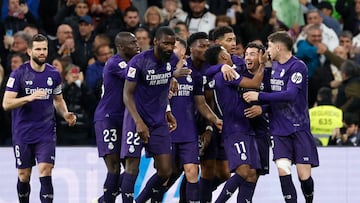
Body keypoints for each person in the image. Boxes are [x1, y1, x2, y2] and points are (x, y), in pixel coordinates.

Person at [243, 31, 319, 203]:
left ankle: (309, 200)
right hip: (278, 130)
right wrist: (263, 108)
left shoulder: (298, 66)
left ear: (278, 47)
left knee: (304, 177)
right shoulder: (273, 67)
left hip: (299, 128)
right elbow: (275, 98)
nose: (267, 50)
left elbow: (290, 95)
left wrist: (259, 97)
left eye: (269, 46)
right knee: (283, 171)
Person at [2, 34, 76, 203]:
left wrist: (65, 113)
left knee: (45, 170)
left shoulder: (54, 74)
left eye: (44, 49)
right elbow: (6, 103)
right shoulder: (18, 74)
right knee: (24, 175)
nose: (42, 52)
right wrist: (28, 98)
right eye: (38, 49)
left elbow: (58, 99)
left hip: (46, 131)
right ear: (29, 51)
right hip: (23, 132)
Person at [120, 26, 187, 203]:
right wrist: (138, 122)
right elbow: (127, 94)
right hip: (136, 118)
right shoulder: (138, 62)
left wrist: (167, 111)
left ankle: (140, 201)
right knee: (132, 167)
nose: (169, 47)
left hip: (158, 120)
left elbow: (163, 88)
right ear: (155, 41)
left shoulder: (172, 59)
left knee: (166, 170)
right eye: (165, 43)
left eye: (172, 44)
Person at [204, 44, 265, 202]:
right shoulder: (226, 74)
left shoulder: (229, 69)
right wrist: (264, 64)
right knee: (243, 170)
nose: (231, 54)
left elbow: (210, 70)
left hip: (246, 128)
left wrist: (221, 66)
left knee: (251, 174)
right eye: (227, 53)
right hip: (235, 129)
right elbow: (254, 84)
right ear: (224, 57)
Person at [92, 32, 140, 203]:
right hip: (108, 118)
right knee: (113, 168)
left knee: (131, 168)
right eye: (133, 43)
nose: (137, 45)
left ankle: (104, 199)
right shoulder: (115, 62)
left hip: (126, 119)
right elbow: (135, 75)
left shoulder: (133, 61)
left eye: (137, 41)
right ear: (121, 47)